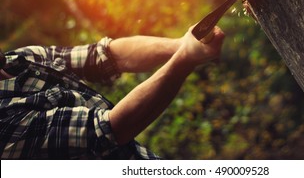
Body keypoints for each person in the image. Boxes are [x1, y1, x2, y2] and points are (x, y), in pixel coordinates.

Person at [0, 25, 225, 159]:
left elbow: (106, 57)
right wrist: (185, 58)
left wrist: (180, 44)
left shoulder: (21, 59)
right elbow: (110, 129)